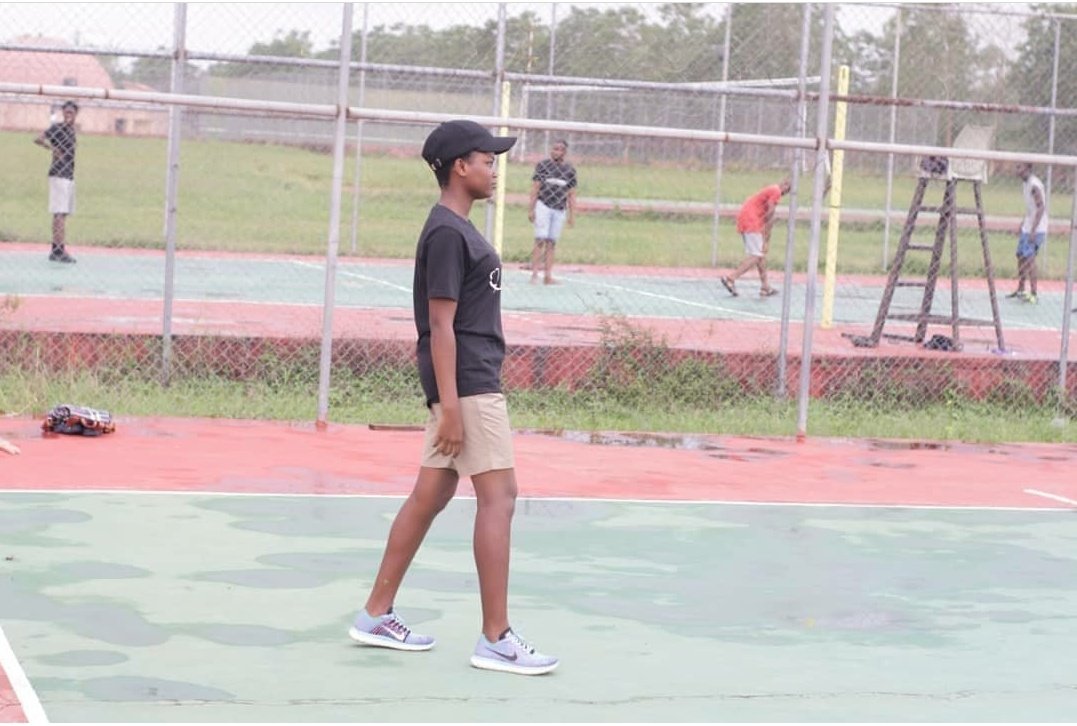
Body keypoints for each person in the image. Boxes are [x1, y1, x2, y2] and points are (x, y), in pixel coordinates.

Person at [347, 119, 558, 677]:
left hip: (463, 384)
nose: (494, 168)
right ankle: (496, 637)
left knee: (430, 496)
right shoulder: (447, 233)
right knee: (501, 498)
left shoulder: (459, 230)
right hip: (467, 384)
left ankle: (374, 614)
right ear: (459, 167)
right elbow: (440, 326)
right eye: (487, 159)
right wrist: (454, 406)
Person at [720, 179, 791, 298]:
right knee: (756, 255)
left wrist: (766, 235)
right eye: (787, 189)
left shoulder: (771, 190)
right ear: (784, 185)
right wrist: (768, 229)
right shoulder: (776, 190)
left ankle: (765, 286)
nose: (786, 193)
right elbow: (770, 210)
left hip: (751, 220)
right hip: (751, 221)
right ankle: (730, 278)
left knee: (760, 255)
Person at [34, 100, 79, 264]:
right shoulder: (58, 128)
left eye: (71, 113)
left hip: (68, 174)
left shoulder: (71, 131)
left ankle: (56, 248)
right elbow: (38, 139)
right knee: (59, 213)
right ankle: (59, 250)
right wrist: (53, 149)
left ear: (75, 114)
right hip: (59, 173)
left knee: (63, 213)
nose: (68, 115)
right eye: (66, 112)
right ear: (63, 113)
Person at [528, 139, 577, 285]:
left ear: (565, 152)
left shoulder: (569, 170)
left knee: (552, 242)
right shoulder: (543, 166)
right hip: (544, 205)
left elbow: (571, 193)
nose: (556, 152)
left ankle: (548, 275)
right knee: (540, 239)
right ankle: (535, 274)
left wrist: (571, 214)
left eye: (560, 149)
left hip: (559, 208)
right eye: (554, 149)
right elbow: (535, 188)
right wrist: (531, 209)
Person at [1007, 162, 1048, 305]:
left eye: (1020, 167)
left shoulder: (1034, 185)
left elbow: (1041, 208)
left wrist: (1033, 230)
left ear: (1028, 169)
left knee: (1030, 259)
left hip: (1037, 228)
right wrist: (1022, 225)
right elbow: (1030, 209)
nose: (1017, 169)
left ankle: (1034, 293)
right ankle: (1021, 289)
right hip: (1028, 226)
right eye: (1017, 167)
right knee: (1020, 255)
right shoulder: (1025, 184)